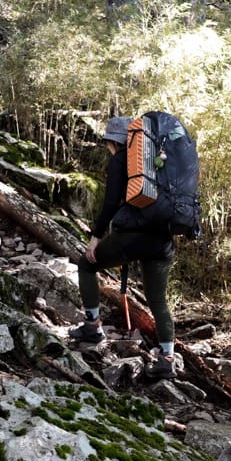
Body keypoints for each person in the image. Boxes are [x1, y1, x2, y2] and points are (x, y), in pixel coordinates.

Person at [68, 116, 178, 379]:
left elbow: (110, 202)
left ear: (115, 143)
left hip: (130, 235)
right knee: (158, 299)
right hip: (162, 239)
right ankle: (167, 359)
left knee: (86, 265)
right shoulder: (159, 163)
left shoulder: (121, 159)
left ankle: (92, 326)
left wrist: (95, 238)